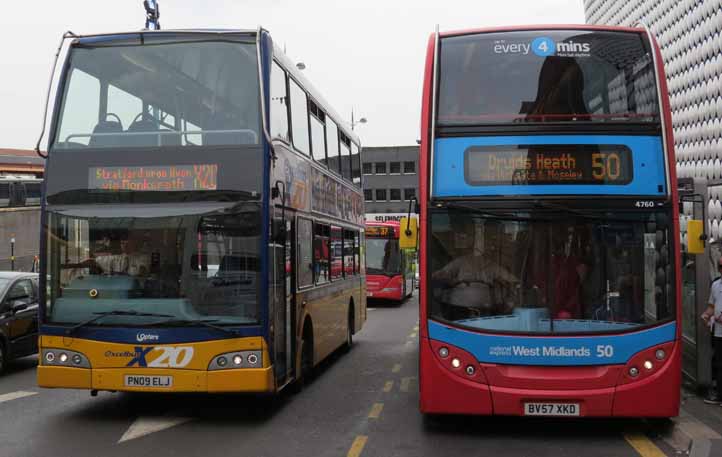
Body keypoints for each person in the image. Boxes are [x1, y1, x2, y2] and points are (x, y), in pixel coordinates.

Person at [701, 257, 722, 404]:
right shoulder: (715, 285)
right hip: (719, 332)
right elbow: (711, 306)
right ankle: (719, 395)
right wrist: (706, 315)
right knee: (719, 364)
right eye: (721, 266)